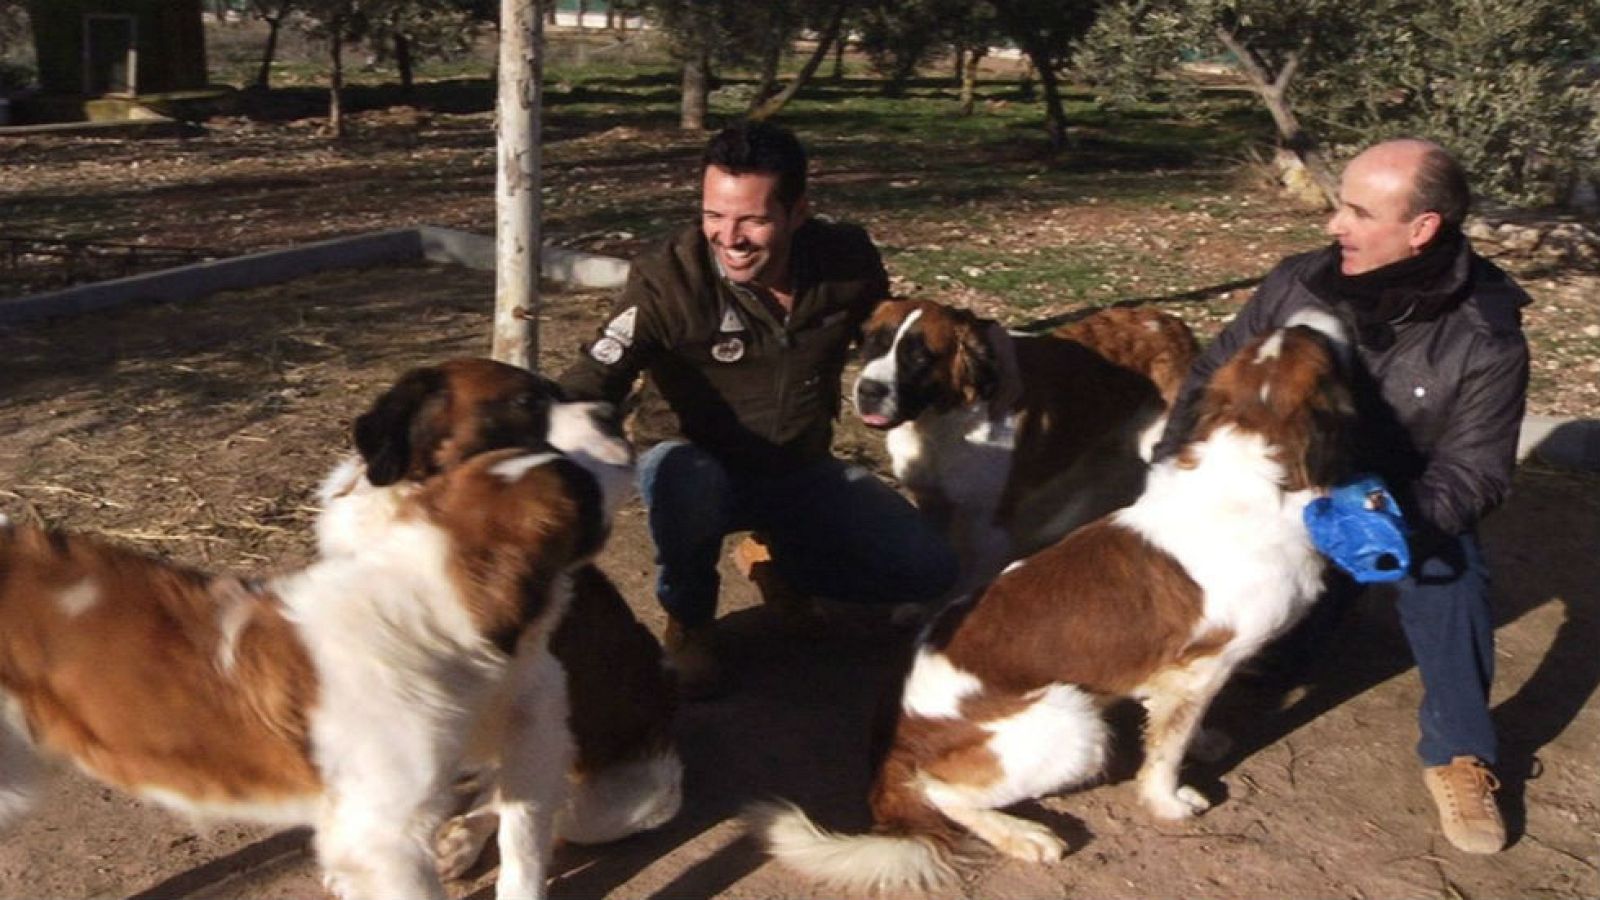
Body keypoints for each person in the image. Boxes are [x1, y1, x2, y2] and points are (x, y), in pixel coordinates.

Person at [1156, 139, 1529, 854]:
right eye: (1339, 204)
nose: (1334, 224)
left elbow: (1476, 474)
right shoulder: (1299, 282)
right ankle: (1264, 652)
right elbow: (1211, 374)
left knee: (1449, 579)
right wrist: (1175, 467)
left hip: (1399, 505)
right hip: (1288, 487)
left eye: (1358, 211)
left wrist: (1383, 527)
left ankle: (1459, 751)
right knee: (1267, 643)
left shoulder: (1486, 335)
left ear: (1421, 229)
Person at [558, 121, 959, 699]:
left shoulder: (846, 262)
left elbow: (894, 341)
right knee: (681, 476)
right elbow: (597, 375)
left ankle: (779, 562)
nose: (730, 237)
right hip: (696, 471)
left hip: (798, 468)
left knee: (928, 571)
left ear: (798, 212)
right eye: (714, 215)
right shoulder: (669, 277)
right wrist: (525, 438)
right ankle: (690, 619)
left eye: (753, 219)